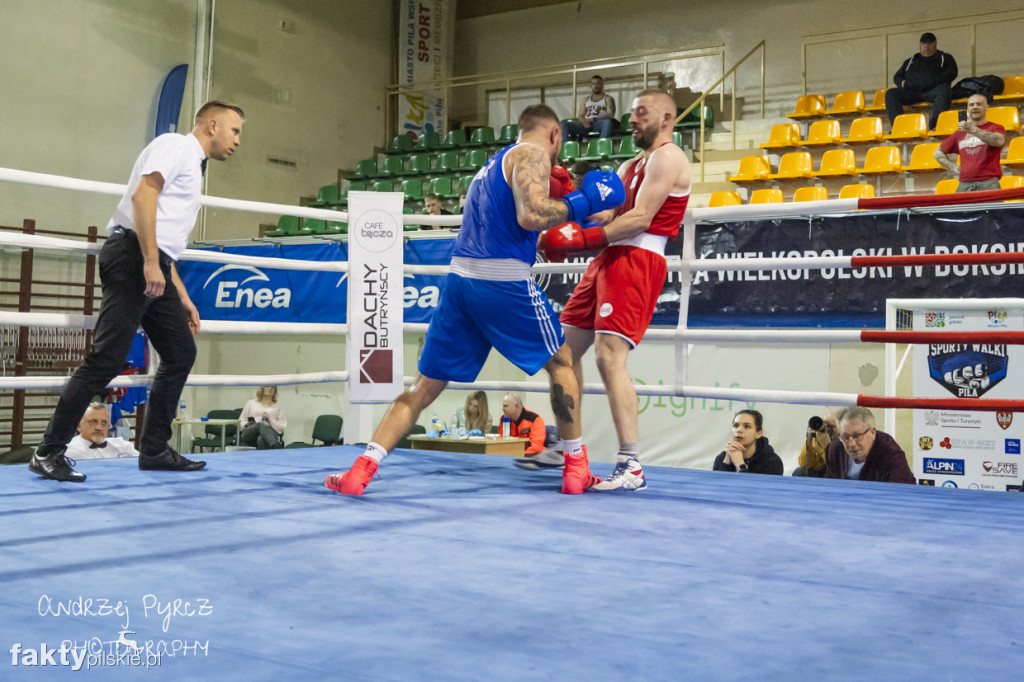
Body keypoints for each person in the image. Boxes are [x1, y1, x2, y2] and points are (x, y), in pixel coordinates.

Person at [325, 103, 625, 496]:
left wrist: (584, 211)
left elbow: (524, 216)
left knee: (423, 388)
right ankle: (575, 468)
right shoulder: (533, 154)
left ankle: (360, 471)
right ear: (553, 134)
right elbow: (532, 215)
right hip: (500, 279)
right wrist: (584, 203)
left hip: (460, 282)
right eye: (560, 143)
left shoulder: (490, 167)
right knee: (563, 361)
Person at [28, 100, 245, 482]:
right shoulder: (176, 146)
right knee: (106, 359)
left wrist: (180, 293)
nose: (238, 140)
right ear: (212, 125)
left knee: (180, 353)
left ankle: (156, 449)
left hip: (152, 262)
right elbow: (143, 196)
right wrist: (147, 260)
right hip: (133, 259)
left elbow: (165, 238)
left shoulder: (194, 165)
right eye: (235, 130)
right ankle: (48, 452)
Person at [538, 89, 690, 492]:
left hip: (638, 259)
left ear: (667, 118)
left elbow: (641, 217)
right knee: (561, 352)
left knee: (610, 357)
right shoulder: (629, 163)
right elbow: (609, 212)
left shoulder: (671, 157)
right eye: (633, 113)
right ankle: (568, 444)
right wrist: (570, 201)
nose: (633, 119)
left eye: (642, 113)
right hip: (606, 259)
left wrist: (586, 239)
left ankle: (630, 463)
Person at [933, 93, 1006, 192]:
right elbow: (937, 153)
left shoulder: (995, 128)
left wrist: (972, 130)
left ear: (986, 107)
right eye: (971, 105)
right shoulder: (959, 133)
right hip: (964, 183)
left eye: (979, 104)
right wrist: (954, 167)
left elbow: (999, 141)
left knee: (992, 208)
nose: (975, 107)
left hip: (988, 182)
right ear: (967, 108)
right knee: (961, 208)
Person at [885, 32, 958, 130]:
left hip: (934, 91)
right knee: (890, 93)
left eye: (929, 44)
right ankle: (899, 127)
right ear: (920, 45)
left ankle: (936, 126)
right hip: (913, 92)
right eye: (924, 44)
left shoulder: (945, 58)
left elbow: (952, 72)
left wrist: (931, 83)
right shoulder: (911, 61)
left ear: (935, 44)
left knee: (944, 89)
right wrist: (904, 84)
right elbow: (897, 77)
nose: (926, 47)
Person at [824, 407, 915, 484]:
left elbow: (905, 490)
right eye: (846, 437)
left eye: (857, 436)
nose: (851, 444)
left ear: (872, 433)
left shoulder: (890, 454)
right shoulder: (834, 450)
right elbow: (829, 487)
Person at [712, 410, 783, 475]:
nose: (739, 430)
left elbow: (756, 488)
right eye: (736, 425)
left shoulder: (772, 462)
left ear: (758, 433)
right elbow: (717, 486)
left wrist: (740, 466)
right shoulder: (722, 458)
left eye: (747, 426)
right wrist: (727, 462)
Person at [66, 402, 140, 460]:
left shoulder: (124, 446)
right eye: (93, 421)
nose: (99, 428)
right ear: (79, 426)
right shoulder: (67, 451)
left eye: (104, 423)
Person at [561, 75, 617, 141]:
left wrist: (594, 119)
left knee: (607, 123)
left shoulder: (608, 98)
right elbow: (581, 115)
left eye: (598, 83)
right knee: (564, 125)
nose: (595, 86)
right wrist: (583, 121)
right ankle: (568, 148)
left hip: (599, 123)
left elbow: (610, 115)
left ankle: (601, 146)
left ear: (602, 84)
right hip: (586, 124)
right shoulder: (585, 99)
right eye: (593, 83)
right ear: (591, 86)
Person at [793, 412, 836, 477]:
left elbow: (836, 468)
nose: (827, 427)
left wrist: (827, 446)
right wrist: (809, 443)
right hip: (819, 473)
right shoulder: (816, 438)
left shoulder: (842, 441)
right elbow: (805, 464)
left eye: (830, 425)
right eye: (823, 423)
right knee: (800, 471)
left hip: (833, 475)